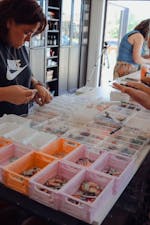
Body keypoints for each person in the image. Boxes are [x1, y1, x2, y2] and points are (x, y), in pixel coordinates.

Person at [0, 0, 52, 117]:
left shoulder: (19, 45)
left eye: (31, 34)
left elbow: (23, 70)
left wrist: (36, 85)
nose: (28, 39)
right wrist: (4, 94)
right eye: (26, 32)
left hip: (17, 122)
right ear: (9, 22)